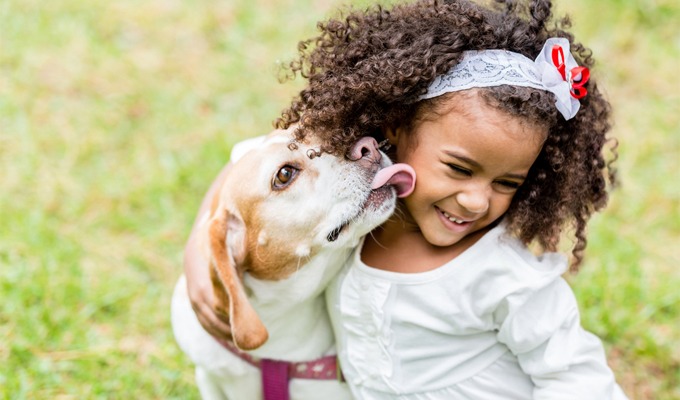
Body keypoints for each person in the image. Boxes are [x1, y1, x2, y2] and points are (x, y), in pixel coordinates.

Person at [184, 0, 627, 398]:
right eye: (458, 168)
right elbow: (254, 160)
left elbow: (578, 379)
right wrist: (204, 245)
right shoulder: (359, 188)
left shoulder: (505, 277)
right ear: (393, 126)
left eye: (507, 183)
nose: (475, 201)